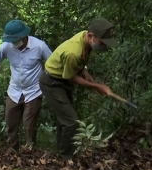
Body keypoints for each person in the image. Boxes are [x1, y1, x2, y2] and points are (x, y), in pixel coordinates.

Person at [39, 18, 117, 160]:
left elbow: (81, 65)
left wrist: (89, 77)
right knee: (71, 121)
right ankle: (65, 158)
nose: (104, 45)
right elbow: (71, 77)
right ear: (90, 36)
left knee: (65, 120)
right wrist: (97, 86)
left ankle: (62, 152)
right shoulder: (72, 52)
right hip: (52, 82)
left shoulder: (85, 38)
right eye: (102, 42)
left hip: (63, 80)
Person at [0, 20, 52, 150]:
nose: (14, 43)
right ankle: (13, 150)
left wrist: (48, 82)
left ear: (24, 36)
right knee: (10, 122)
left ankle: (30, 150)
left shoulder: (39, 46)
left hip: (34, 91)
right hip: (14, 90)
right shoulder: (6, 46)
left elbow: (53, 64)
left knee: (29, 124)